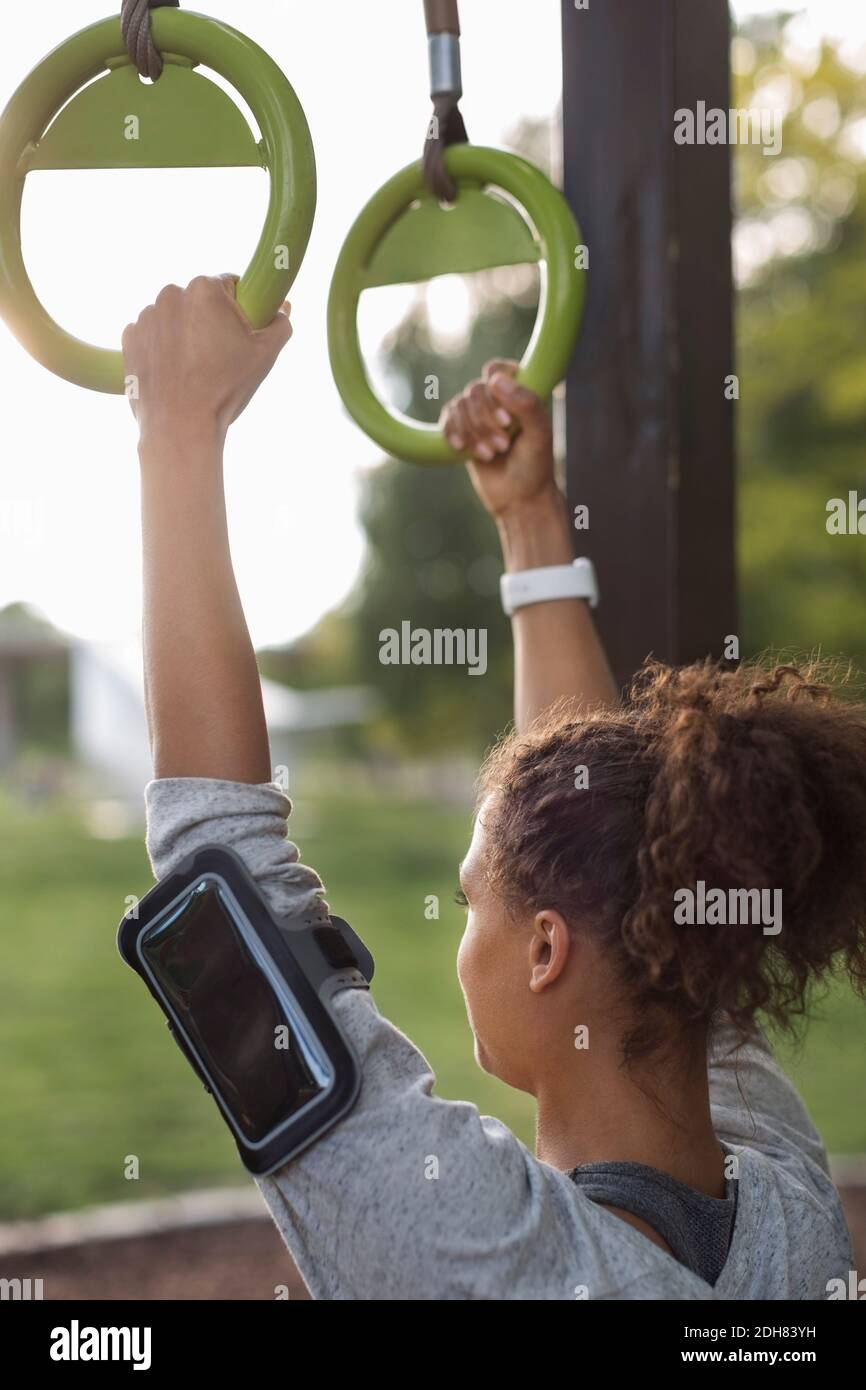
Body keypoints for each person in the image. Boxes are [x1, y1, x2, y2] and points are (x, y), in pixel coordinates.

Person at [122, 275, 861, 1301]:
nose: (461, 930)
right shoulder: (788, 1208)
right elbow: (624, 832)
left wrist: (175, 427)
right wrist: (529, 525)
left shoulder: (482, 1253)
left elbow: (221, 872)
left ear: (548, 946)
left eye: (475, 901)